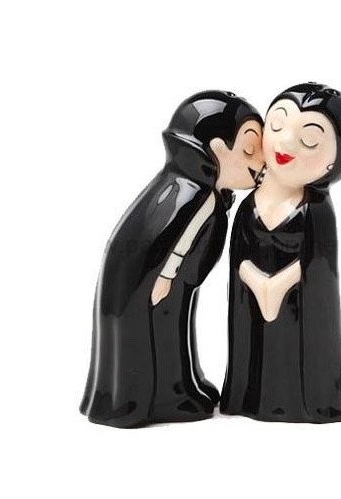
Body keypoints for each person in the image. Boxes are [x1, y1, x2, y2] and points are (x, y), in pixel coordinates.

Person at [80, 90, 264, 428]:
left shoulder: (183, 187)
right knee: (164, 332)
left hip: (171, 283)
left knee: (176, 328)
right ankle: (167, 394)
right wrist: (165, 278)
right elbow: (180, 242)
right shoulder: (197, 196)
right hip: (161, 286)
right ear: (217, 150)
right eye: (249, 151)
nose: (260, 163)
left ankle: (181, 385)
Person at [220, 83, 341, 423]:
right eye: (277, 125)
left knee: (292, 352)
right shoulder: (248, 206)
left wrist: (279, 285)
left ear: (333, 163)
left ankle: (304, 401)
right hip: (250, 302)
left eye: (309, 140)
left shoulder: (315, 210)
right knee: (254, 348)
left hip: (300, 308)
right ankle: (247, 397)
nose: (285, 143)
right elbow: (238, 256)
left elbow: (317, 265)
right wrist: (256, 281)